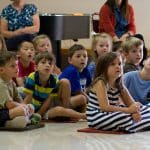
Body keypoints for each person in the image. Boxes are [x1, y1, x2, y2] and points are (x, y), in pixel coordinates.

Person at [86, 52, 150, 133]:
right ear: (103, 68)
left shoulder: (119, 83)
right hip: (97, 116)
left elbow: (131, 103)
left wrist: (135, 111)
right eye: (112, 64)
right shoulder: (100, 82)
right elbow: (105, 107)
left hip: (113, 113)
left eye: (120, 64)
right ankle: (141, 123)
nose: (118, 66)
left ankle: (138, 123)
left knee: (146, 108)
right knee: (124, 118)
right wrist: (128, 110)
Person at [23, 51, 85, 120]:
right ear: (36, 67)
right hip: (36, 110)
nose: (47, 65)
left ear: (53, 68)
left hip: (47, 108)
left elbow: (48, 100)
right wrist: (37, 114)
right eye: (43, 63)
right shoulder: (32, 77)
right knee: (59, 110)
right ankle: (83, 116)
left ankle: (66, 113)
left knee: (81, 98)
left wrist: (39, 115)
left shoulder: (54, 80)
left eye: (50, 63)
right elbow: (28, 98)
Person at [0, 51, 35, 128]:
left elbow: (18, 98)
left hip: (7, 111)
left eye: (17, 65)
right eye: (12, 66)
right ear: (1, 70)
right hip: (2, 112)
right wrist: (23, 107)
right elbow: (9, 105)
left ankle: (24, 119)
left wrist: (25, 106)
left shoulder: (11, 81)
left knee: (31, 107)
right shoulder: (1, 84)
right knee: (22, 111)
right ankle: (6, 124)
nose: (17, 68)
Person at [59, 44, 91, 112]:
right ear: (70, 60)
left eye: (85, 56)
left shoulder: (86, 70)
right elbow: (78, 92)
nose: (82, 58)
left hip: (72, 98)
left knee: (84, 98)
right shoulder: (72, 70)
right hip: (60, 100)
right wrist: (92, 102)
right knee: (82, 98)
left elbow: (90, 87)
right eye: (78, 56)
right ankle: (66, 112)